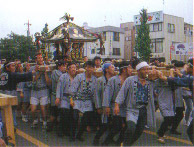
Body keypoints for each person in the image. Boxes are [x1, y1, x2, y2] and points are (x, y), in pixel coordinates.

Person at [114, 61, 157, 146]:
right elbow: (122, 92)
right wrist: (117, 105)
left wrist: (156, 74)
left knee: (139, 131)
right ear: (138, 71)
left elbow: (161, 79)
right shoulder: (130, 80)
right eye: (144, 69)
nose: (146, 71)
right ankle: (125, 143)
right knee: (131, 128)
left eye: (147, 69)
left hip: (143, 110)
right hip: (132, 109)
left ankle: (128, 144)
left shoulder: (150, 81)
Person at [101, 61, 133, 146]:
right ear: (124, 70)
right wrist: (106, 106)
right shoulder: (113, 80)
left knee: (127, 127)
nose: (131, 70)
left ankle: (119, 142)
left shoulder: (131, 80)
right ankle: (106, 141)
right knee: (117, 126)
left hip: (127, 107)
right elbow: (107, 93)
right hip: (115, 106)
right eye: (129, 68)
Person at [0, 60, 36, 127]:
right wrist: (33, 72)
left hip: (2, 96)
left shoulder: (2, 74)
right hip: (10, 95)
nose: (14, 68)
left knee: (2, 114)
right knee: (12, 111)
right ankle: (13, 126)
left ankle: (4, 128)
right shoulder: (11, 75)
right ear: (7, 68)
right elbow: (23, 76)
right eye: (13, 66)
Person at [70, 61, 97, 142]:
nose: (89, 69)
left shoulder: (95, 79)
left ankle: (79, 135)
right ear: (85, 68)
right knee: (75, 117)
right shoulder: (79, 77)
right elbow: (73, 89)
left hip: (88, 101)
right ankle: (72, 135)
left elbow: (94, 93)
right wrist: (71, 99)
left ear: (93, 69)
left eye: (91, 67)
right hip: (77, 99)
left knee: (85, 120)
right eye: (88, 67)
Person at [92, 62, 115, 145]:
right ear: (106, 69)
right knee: (104, 124)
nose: (113, 68)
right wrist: (98, 107)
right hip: (103, 105)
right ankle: (96, 138)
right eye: (111, 67)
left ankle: (109, 138)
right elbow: (97, 94)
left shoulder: (114, 79)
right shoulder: (100, 80)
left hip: (112, 105)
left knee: (113, 124)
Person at [55, 62, 77, 140]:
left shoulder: (77, 78)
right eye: (72, 67)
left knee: (72, 116)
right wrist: (58, 97)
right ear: (68, 69)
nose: (74, 69)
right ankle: (60, 130)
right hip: (64, 98)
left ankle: (67, 130)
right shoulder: (63, 77)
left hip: (73, 99)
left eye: (75, 67)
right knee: (64, 113)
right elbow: (59, 87)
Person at [30, 53, 51, 129]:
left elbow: (49, 83)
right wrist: (39, 72)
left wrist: (45, 73)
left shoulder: (47, 67)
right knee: (33, 109)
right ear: (36, 60)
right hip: (34, 90)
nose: (40, 59)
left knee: (43, 108)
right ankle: (35, 120)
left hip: (43, 89)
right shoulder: (32, 68)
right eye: (38, 58)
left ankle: (44, 121)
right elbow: (33, 80)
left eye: (41, 57)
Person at [47, 60, 66, 132]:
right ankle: (49, 126)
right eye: (63, 66)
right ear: (59, 66)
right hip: (55, 95)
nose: (65, 67)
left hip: (61, 96)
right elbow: (62, 81)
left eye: (65, 66)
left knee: (59, 112)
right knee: (54, 112)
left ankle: (58, 127)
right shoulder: (56, 72)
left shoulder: (63, 73)